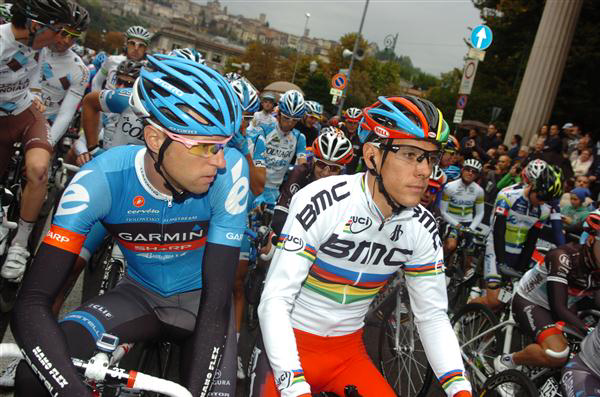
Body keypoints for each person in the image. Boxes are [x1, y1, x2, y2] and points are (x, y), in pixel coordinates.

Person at [12, 55, 248, 396]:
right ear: (155, 139)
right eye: (205, 147)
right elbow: (31, 304)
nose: (221, 161)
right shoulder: (102, 178)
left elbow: (216, 301)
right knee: (31, 379)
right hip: (140, 298)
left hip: (205, 307)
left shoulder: (229, 175)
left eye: (224, 146)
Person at [253, 96, 471, 397]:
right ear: (371, 156)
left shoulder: (421, 226)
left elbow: (431, 316)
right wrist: (294, 387)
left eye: (430, 158)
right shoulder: (323, 200)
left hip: (347, 356)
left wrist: (460, 389)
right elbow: (275, 300)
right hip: (288, 347)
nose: (425, 171)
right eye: (410, 154)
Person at [0, 0, 78, 281]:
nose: (59, 37)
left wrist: (33, 95)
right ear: (35, 25)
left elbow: (33, 81)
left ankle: (20, 245)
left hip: (25, 113)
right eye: (55, 29)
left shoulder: (38, 47)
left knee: (38, 170)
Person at [495, 211, 600, 372]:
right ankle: (508, 361)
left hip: (566, 304)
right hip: (531, 300)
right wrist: (589, 331)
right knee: (557, 353)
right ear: (591, 240)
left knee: (580, 353)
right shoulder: (563, 257)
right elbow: (558, 308)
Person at [472, 164, 564, 311]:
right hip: (496, 251)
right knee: (494, 300)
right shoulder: (508, 196)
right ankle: (460, 318)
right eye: (540, 196)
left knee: (503, 305)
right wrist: (501, 262)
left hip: (517, 256)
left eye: (546, 200)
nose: (541, 202)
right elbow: (498, 232)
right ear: (533, 186)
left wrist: (521, 268)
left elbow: (531, 242)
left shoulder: (544, 210)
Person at [34, 2, 90, 147]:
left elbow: (66, 114)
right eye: (64, 33)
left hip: (46, 123)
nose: (67, 41)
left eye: (74, 37)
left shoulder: (80, 70)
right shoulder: (32, 47)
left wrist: (47, 145)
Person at [250, 89, 307, 208]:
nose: (290, 123)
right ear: (279, 113)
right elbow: (252, 158)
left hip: (274, 191)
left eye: (295, 120)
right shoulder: (264, 130)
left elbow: (303, 166)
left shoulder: (299, 137)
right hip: (254, 184)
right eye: (286, 118)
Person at [440, 158, 484, 275]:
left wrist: (472, 227)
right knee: (451, 245)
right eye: (468, 169)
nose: (470, 173)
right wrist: (457, 225)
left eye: (474, 171)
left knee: (469, 253)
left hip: (468, 223)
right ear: (462, 170)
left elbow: (480, 213)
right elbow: (443, 211)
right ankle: (436, 262)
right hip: (451, 220)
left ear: (477, 175)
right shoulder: (450, 187)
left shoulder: (479, 191)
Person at [90, 25, 150, 91]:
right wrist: (98, 100)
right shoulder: (112, 60)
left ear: (146, 49)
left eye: (141, 45)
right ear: (126, 44)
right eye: (132, 44)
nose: (136, 49)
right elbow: (97, 82)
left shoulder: (148, 69)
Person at [339, 107, 363, 174]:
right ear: (345, 122)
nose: (352, 125)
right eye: (349, 122)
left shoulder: (362, 137)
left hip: (351, 173)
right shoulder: (339, 132)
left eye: (355, 123)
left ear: (359, 124)